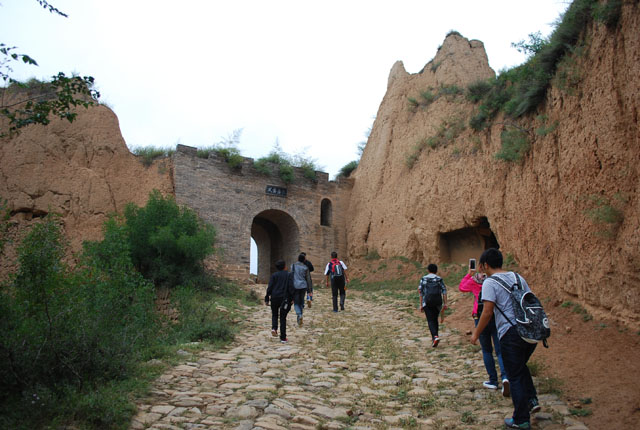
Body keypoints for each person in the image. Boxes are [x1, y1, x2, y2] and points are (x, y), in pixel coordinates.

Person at [471, 248, 541, 430]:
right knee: (520, 367)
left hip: (510, 334)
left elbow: (487, 311)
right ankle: (531, 400)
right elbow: (531, 299)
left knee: (514, 375)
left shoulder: (489, 282)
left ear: (485, 265)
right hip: (529, 331)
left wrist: (476, 333)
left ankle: (521, 419)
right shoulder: (518, 277)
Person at [459, 268, 509, 395]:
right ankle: (505, 378)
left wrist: (469, 274)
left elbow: (462, 287)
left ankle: (493, 381)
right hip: (496, 317)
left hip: (480, 318)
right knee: (500, 350)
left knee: (487, 350)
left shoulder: (475, 280)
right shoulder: (494, 280)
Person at [265, 259, 294, 344]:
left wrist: (267, 297)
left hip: (274, 297)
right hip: (284, 299)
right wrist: (292, 298)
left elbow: (269, 287)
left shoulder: (274, 275)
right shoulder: (289, 275)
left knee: (274, 314)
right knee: (283, 318)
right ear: (285, 266)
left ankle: (274, 328)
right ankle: (283, 338)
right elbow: (291, 287)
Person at [418, 263, 448, 347]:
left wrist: (421, 305)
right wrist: (445, 303)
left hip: (427, 302)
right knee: (435, 319)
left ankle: (434, 337)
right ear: (436, 270)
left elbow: (421, 292)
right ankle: (435, 337)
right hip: (437, 302)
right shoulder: (439, 279)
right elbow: (444, 291)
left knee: (430, 320)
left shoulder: (424, 279)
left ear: (428, 270)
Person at [291, 253, 312, 326]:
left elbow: (291, 276)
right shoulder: (306, 267)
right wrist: (309, 290)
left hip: (295, 286)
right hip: (303, 286)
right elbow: (308, 279)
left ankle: (299, 315)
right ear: (304, 260)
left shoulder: (293, 266)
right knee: (301, 301)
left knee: (296, 302)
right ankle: (300, 316)